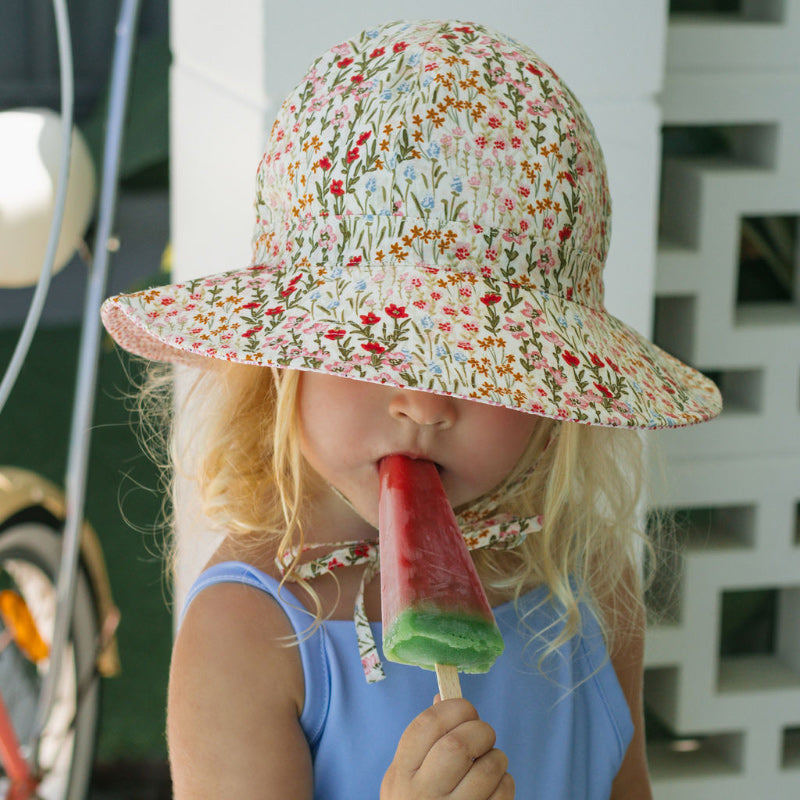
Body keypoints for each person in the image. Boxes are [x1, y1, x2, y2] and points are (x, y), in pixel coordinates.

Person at [101, 19, 721, 799]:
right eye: (375, 345)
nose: (425, 404)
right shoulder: (247, 632)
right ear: (284, 360)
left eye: (483, 359)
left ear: (550, 393)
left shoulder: (586, 579)